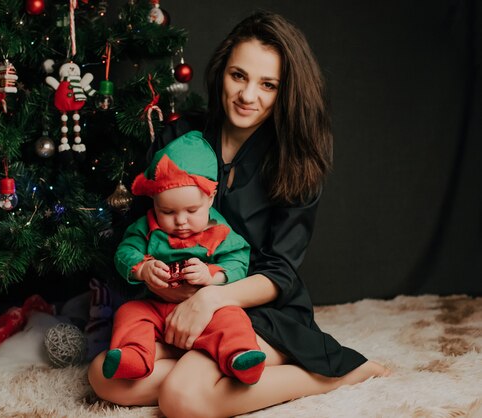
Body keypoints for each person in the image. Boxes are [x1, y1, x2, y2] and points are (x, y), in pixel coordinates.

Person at [89, 10, 389, 417]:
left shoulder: (295, 162)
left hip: (258, 309)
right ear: (221, 73)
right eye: (239, 76)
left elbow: (280, 271)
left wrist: (212, 299)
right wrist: (156, 280)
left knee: (182, 398)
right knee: (103, 378)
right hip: (175, 301)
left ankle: (333, 375)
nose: (249, 96)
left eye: (268, 85)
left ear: (286, 92)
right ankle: (206, 359)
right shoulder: (178, 137)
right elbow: (148, 227)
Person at [105, 131, 266, 385]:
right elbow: (124, 252)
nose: (180, 221)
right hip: (157, 306)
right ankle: (135, 355)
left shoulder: (219, 231)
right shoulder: (145, 228)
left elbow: (238, 262)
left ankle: (240, 355)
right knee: (130, 312)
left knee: (233, 318)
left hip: (206, 310)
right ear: (154, 202)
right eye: (166, 211)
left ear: (210, 198)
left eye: (192, 211)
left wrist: (212, 275)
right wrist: (143, 269)